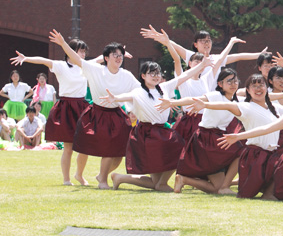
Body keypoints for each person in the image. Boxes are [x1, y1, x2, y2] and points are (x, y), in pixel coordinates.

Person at [50, 30, 141, 189]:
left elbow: (139, 92)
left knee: (119, 152)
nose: (119, 58)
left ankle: (101, 176)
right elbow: (77, 59)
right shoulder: (96, 70)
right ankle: (99, 180)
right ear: (106, 58)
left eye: (121, 55)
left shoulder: (127, 75)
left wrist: (135, 109)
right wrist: (63, 43)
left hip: (116, 114)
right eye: (115, 55)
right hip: (97, 113)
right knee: (93, 147)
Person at [187, 73, 283, 199]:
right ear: (248, 91)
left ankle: (268, 193)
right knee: (247, 195)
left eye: (261, 85)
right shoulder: (245, 107)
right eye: (254, 86)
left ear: (266, 88)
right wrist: (206, 105)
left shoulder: (275, 108)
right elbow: (227, 105)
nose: (258, 89)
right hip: (255, 157)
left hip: (271, 156)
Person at [101, 57, 190, 192]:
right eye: (152, 73)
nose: (156, 76)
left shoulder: (164, 87)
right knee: (178, 149)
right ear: (143, 76)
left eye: (158, 73)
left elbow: (186, 75)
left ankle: (120, 178)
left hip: (161, 131)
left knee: (155, 181)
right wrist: (115, 98)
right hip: (148, 133)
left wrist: (203, 65)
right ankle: (163, 183)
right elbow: (126, 97)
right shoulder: (138, 92)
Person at [10, 39, 91, 185]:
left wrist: (116, 54)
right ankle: (66, 179)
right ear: (70, 52)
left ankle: (79, 175)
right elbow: (43, 60)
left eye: (84, 51)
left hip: (82, 106)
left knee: (85, 145)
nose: (83, 54)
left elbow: (101, 60)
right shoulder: (61, 66)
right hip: (67, 106)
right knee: (68, 147)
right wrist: (26, 58)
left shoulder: (85, 66)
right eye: (81, 51)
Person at [157, 66, 247, 195]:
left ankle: (184, 180)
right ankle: (225, 186)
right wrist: (171, 102)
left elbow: (264, 98)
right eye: (229, 81)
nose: (233, 84)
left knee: (216, 188)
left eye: (235, 81)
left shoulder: (237, 100)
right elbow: (193, 100)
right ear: (220, 84)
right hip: (206, 138)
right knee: (241, 150)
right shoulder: (215, 95)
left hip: (217, 138)